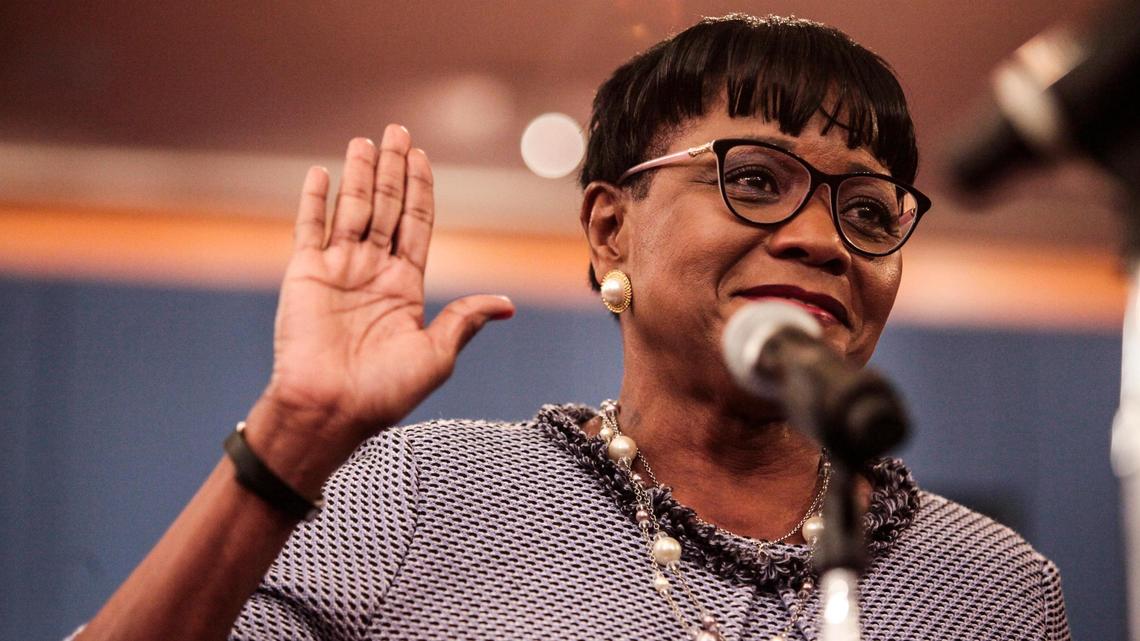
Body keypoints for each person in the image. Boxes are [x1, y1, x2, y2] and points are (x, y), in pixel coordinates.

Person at [72, 13, 1070, 641]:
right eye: (756, 180)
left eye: (867, 210)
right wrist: (295, 429)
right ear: (610, 227)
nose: (822, 240)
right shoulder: (422, 495)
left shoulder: (998, 587)